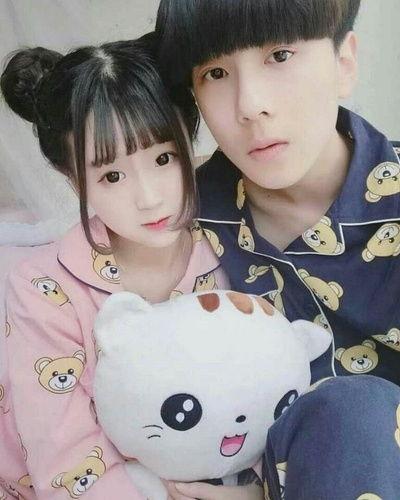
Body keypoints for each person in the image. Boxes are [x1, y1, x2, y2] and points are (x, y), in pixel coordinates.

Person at [155, 0, 400, 498]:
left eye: (279, 56)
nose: (250, 105)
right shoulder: (181, 214)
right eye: (216, 73)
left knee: (362, 414)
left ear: (344, 63)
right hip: (260, 468)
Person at [0, 38, 231, 499]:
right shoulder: (44, 291)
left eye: (163, 158)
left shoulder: (231, 246)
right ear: (72, 178)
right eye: (111, 175)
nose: (149, 198)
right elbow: (68, 469)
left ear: (190, 139)